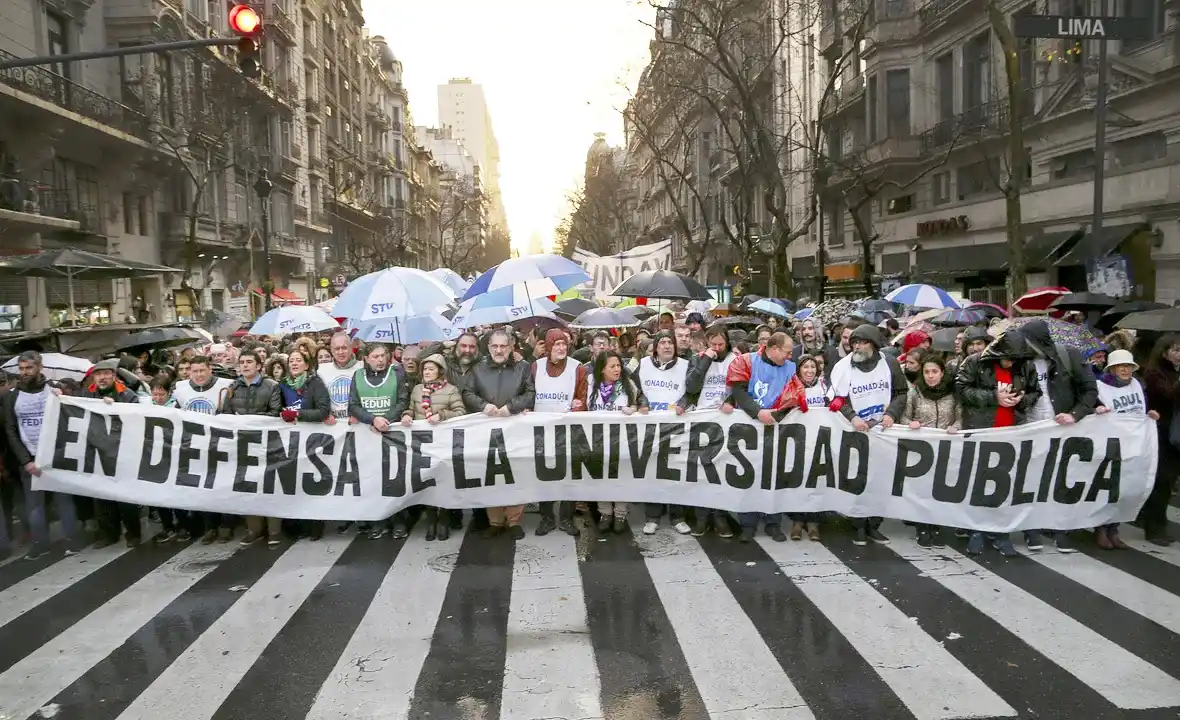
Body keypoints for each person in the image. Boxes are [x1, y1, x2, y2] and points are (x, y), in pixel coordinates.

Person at [956, 330, 1042, 556]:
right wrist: (994, 397)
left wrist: (1022, 400)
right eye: (1007, 358)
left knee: (1004, 485)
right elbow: (961, 390)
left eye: (1015, 359)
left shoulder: (1025, 366)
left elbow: (1035, 392)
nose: (1011, 363)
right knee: (978, 483)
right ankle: (976, 530)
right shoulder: (974, 362)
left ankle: (1000, 533)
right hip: (982, 431)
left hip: (1011, 433)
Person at [1020, 318, 1098, 553]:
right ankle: (1031, 529)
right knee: (1030, 480)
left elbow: (1090, 390)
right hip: (1029, 428)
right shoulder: (1021, 361)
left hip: (1062, 430)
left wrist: (1075, 414)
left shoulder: (1068, 357)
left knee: (1060, 480)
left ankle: (1060, 529)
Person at [828, 324, 907, 546]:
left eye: (862, 342)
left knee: (881, 480)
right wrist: (852, 416)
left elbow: (901, 392)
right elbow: (834, 399)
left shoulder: (889, 363)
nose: (857, 347)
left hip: (883, 431)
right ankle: (858, 524)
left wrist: (891, 413)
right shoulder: (843, 367)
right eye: (854, 343)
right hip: (856, 431)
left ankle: (874, 524)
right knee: (858, 478)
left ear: (873, 343)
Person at [0, 351, 81, 559]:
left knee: (64, 501)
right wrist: (25, 461)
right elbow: (10, 430)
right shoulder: (12, 397)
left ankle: (72, 539)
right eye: (22, 369)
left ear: (40, 367)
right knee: (34, 506)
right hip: (29, 459)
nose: (25, 372)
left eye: (29, 368)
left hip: (56, 456)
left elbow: (70, 418)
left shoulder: (54, 391)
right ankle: (40, 543)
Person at [727, 331, 805, 543]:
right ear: (773, 349)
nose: (790, 356)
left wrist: (777, 414)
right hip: (750, 427)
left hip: (776, 427)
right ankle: (748, 524)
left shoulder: (789, 368)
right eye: (787, 352)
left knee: (775, 477)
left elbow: (795, 396)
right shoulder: (747, 361)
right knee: (749, 476)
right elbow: (739, 392)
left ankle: (773, 523)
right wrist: (758, 412)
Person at [462, 328, 535, 540]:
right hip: (486, 430)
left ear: (511, 347)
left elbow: (530, 392)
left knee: (516, 473)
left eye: (503, 346)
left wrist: (511, 407)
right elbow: (467, 393)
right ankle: (494, 521)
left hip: (515, 430)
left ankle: (513, 521)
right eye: (495, 346)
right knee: (490, 474)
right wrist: (484, 406)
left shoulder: (523, 368)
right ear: (489, 347)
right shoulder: (478, 369)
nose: (499, 350)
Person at [1093, 349, 1156, 549]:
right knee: (1107, 488)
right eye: (1121, 366)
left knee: (1125, 487)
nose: (1125, 370)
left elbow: (1141, 409)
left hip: (1133, 444)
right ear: (1112, 368)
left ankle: (1114, 528)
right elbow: (1091, 410)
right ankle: (1100, 529)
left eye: (1128, 366)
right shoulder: (1100, 387)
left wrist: (1150, 414)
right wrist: (1098, 409)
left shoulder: (1137, 384)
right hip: (1110, 444)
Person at [401, 353, 467, 541]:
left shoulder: (451, 390)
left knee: (444, 481)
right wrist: (407, 415)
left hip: (444, 443)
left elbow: (460, 412)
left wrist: (442, 415)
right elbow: (412, 409)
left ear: (440, 371)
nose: (427, 372)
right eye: (425, 369)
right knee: (427, 482)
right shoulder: (417, 390)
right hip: (422, 444)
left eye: (431, 369)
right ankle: (431, 519)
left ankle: (444, 519)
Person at [220, 350, 284, 547]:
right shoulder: (232, 388)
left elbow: (275, 413)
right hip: (242, 444)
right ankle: (254, 529)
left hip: (266, 443)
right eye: (242, 362)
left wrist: (249, 420)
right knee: (247, 486)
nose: (245, 365)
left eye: (249, 362)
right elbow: (224, 414)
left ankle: (274, 530)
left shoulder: (271, 386)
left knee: (269, 486)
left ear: (258, 366)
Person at [349, 342, 411, 539]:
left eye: (383, 355)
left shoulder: (397, 373)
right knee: (372, 479)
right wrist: (372, 419)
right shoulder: (358, 376)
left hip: (392, 433)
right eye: (375, 356)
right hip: (368, 435)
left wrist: (387, 420)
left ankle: (399, 520)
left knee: (394, 478)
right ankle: (379, 520)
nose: (380, 360)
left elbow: (403, 401)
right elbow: (353, 405)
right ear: (366, 359)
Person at [79, 359, 143, 549]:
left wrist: (115, 407)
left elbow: (137, 418)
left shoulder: (127, 395)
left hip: (122, 452)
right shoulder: (85, 394)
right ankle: (109, 534)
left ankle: (133, 534)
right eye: (98, 374)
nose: (102, 377)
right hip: (98, 452)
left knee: (126, 497)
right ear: (93, 378)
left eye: (106, 374)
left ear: (114, 376)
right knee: (102, 496)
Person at [899, 351, 960, 548]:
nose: (930, 375)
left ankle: (937, 525)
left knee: (941, 488)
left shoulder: (952, 393)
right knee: (922, 488)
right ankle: (922, 526)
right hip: (921, 449)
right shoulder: (914, 393)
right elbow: (904, 418)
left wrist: (956, 427)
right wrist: (911, 423)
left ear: (942, 372)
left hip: (945, 447)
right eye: (927, 372)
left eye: (935, 371)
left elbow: (960, 416)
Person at [531, 328, 588, 536]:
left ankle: (566, 517)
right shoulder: (536, 367)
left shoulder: (577, 368)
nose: (562, 348)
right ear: (548, 347)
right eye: (557, 344)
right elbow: (529, 394)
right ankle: (547, 517)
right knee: (543, 474)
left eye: (564, 344)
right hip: (541, 431)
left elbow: (583, 398)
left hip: (568, 431)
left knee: (569, 474)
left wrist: (578, 406)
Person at [636, 330, 691, 535]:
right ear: (656, 347)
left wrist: (683, 404)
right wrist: (641, 402)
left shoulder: (686, 366)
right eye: (663, 343)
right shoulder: (643, 364)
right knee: (653, 471)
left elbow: (692, 391)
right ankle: (652, 517)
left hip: (675, 426)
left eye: (671, 342)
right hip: (651, 426)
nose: (667, 346)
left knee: (675, 471)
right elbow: (635, 388)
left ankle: (678, 516)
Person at [685, 325, 736, 538]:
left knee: (721, 470)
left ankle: (720, 516)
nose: (717, 348)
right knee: (701, 470)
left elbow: (741, 387)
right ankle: (702, 517)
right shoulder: (697, 359)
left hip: (724, 421)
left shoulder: (735, 359)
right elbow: (691, 387)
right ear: (707, 343)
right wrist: (705, 360)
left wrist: (730, 401)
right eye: (713, 344)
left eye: (721, 344)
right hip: (702, 420)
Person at [278, 347, 333, 540]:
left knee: (312, 482)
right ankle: (297, 524)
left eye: (298, 360)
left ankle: (316, 524)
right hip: (290, 443)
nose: (294, 363)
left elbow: (323, 411)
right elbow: (275, 410)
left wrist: (298, 414)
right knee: (293, 483)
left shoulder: (315, 383)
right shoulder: (282, 385)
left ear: (307, 365)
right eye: (291, 360)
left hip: (312, 442)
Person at [586, 350, 644, 533]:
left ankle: (620, 514)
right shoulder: (590, 384)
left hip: (621, 441)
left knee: (621, 477)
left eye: (619, 365)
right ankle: (605, 513)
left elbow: (641, 403)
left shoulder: (629, 385)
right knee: (600, 477)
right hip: (597, 440)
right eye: (612, 366)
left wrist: (634, 408)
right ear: (602, 369)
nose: (617, 369)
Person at [1140, 335, 1179, 546]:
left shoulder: (1173, 372)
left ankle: (1158, 522)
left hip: (1175, 433)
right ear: (1164, 352)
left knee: (1169, 482)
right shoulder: (1154, 374)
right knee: (1161, 481)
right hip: (1161, 434)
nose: (1179, 355)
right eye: (1176, 350)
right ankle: (1154, 528)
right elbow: (1169, 396)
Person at [792, 354, 829, 541]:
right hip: (798, 443)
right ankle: (797, 521)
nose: (809, 371)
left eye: (812, 367)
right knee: (798, 481)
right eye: (805, 367)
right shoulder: (791, 386)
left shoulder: (824, 387)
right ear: (799, 370)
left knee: (816, 483)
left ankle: (814, 522)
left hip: (819, 442)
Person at [318, 331, 362, 421]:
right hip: (333, 426)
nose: (341, 352)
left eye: (344, 348)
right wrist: (325, 415)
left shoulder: (363, 367)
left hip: (359, 424)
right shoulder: (321, 371)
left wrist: (360, 414)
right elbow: (317, 400)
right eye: (337, 349)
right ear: (332, 351)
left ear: (351, 348)